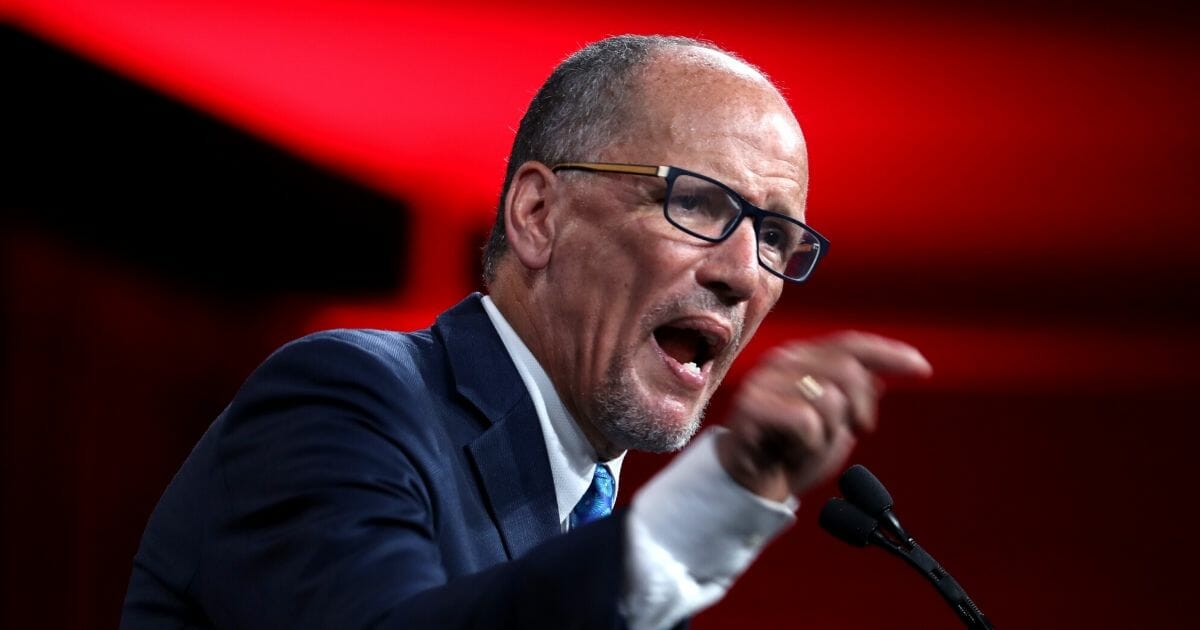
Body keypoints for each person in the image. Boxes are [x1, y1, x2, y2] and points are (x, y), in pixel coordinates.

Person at [121, 34, 931, 629]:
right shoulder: (348, 401)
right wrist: (715, 498)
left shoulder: (596, 537)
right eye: (699, 204)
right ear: (539, 216)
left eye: (776, 238)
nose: (744, 272)